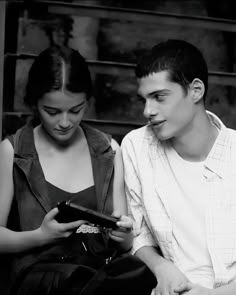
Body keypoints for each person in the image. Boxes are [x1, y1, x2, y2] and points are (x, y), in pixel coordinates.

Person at [0, 45, 156, 295]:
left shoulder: (107, 150)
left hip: (98, 286)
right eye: (51, 111)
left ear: (88, 101)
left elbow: (125, 238)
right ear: (34, 103)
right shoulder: (14, 151)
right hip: (37, 288)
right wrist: (40, 236)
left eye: (76, 110)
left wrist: (124, 237)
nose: (64, 122)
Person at [121, 39, 236, 295]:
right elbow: (137, 233)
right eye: (144, 100)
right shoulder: (137, 147)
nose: (148, 111)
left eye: (159, 97)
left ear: (195, 90)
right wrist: (162, 268)